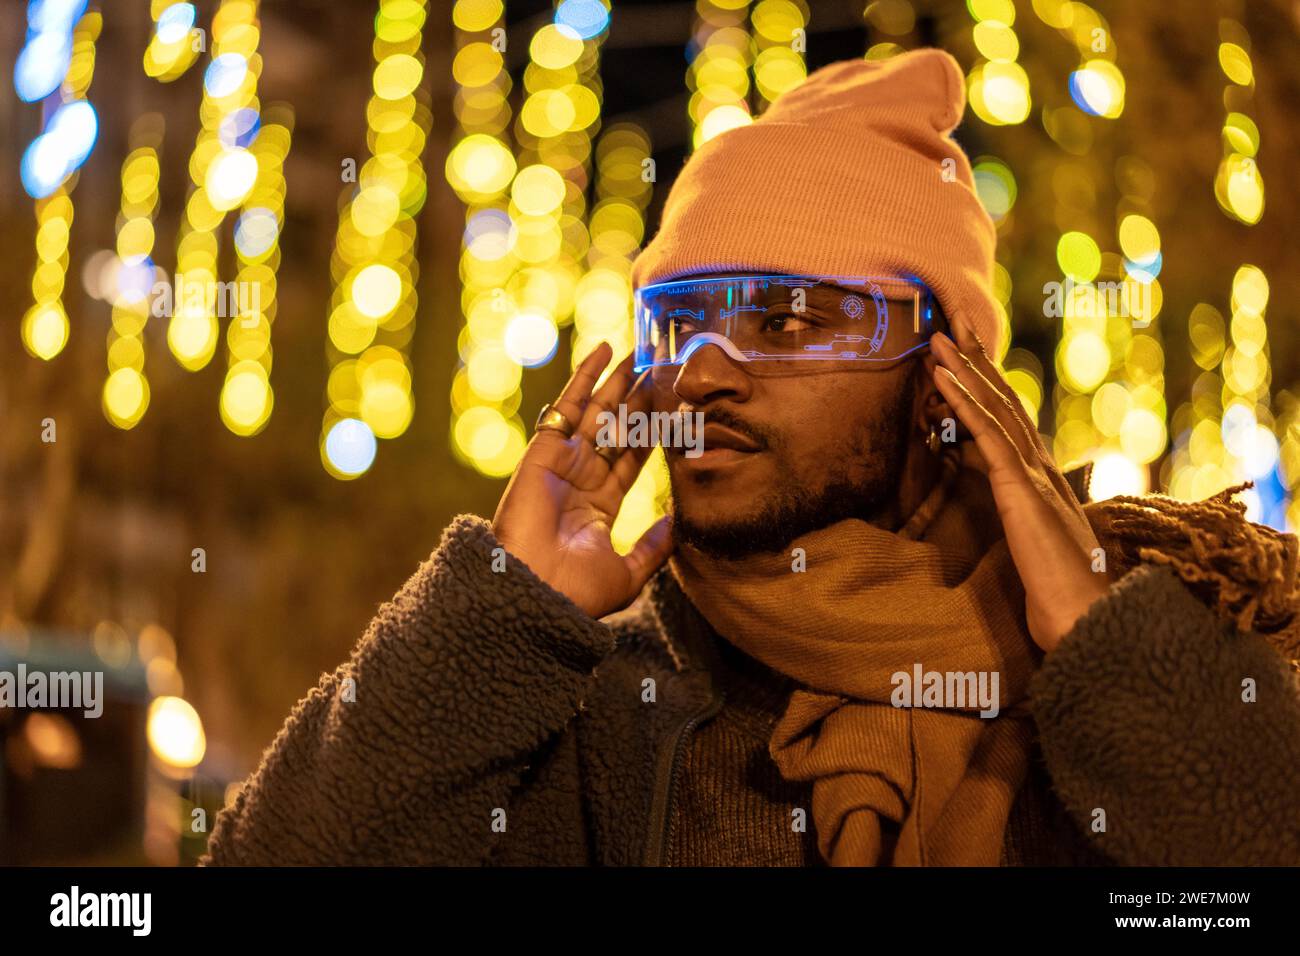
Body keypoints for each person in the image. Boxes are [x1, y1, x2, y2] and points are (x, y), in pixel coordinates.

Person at [202, 49, 1300, 867]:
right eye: (680, 321)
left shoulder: (1115, 676)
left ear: (939, 370)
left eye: (784, 320)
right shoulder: (581, 707)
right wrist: (490, 617)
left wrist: (1103, 646)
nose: (704, 375)